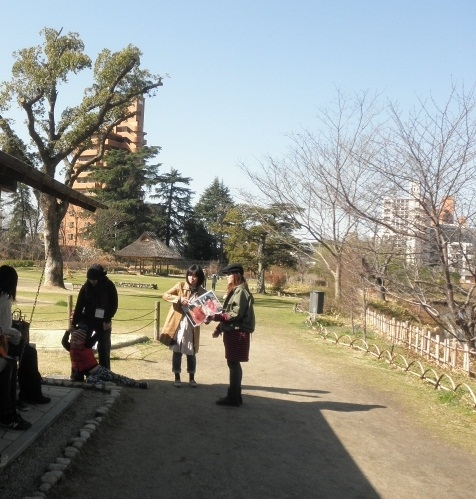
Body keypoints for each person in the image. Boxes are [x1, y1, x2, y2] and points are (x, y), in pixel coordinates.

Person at [210, 263, 255, 407]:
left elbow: (235, 314)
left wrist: (215, 317)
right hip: (234, 331)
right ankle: (235, 396)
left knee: (233, 363)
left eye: (229, 274)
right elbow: (230, 312)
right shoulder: (237, 290)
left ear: (236, 275)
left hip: (238, 332)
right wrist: (219, 328)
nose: (227, 277)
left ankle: (233, 397)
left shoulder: (240, 291)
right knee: (233, 363)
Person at [160, 265, 207, 387]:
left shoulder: (203, 293)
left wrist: (206, 317)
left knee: (191, 352)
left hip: (192, 326)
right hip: (178, 323)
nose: (192, 278)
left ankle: (192, 378)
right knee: (177, 350)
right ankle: (177, 377)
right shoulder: (180, 286)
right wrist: (179, 299)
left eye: (195, 276)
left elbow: (208, 311)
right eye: (190, 275)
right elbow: (165, 295)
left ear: (199, 277)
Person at [0, 266, 34, 429]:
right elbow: (4, 328)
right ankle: (8, 411)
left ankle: (19, 398)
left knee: (26, 353)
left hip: (3, 340)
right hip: (3, 341)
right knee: (11, 364)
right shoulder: (3, 299)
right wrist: (17, 335)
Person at [62, 327, 148, 388]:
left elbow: (96, 336)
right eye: (72, 340)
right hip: (89, 374)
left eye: (76, 340)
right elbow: (64, 341)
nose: (73, 342)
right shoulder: (70, 347)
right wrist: (67, 332)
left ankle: (136, 384)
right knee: (90, 380)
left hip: (98, 369)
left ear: (82, 341)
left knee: (115, 377)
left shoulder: (87, 345)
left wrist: (103, 327)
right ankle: (107, 384)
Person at [71, 264, 118, 371]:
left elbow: (114, 304)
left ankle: (105, 372)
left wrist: (107, 320)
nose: (92, 282)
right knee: (79, 343)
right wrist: (74, 323)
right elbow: (79, 306)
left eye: (94, 280)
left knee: (103, 347)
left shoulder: (109, 285)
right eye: (90, 280)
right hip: (88, 318)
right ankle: (78, 372)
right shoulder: (86, 287)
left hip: (103, 320)